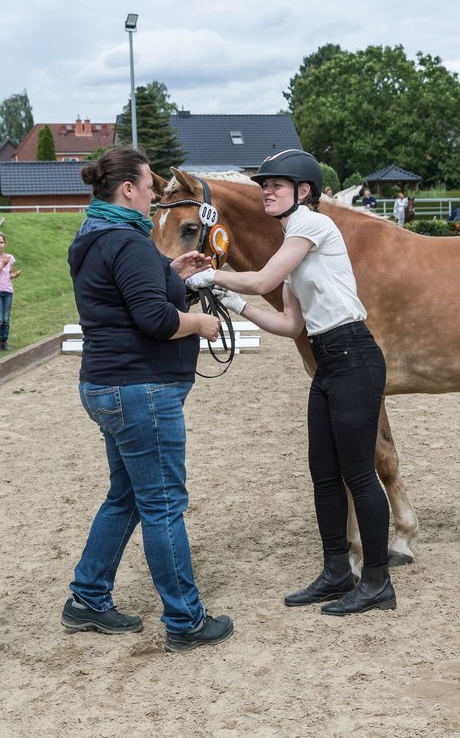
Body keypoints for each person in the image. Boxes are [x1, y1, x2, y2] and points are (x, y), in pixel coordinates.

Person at [185, 149, 396, 616]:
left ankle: (378, 580)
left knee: (358, 474)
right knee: (323, 473)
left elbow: (261, 281)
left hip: (354, 355)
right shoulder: (293, 246)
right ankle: (337, 571)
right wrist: (226, 299)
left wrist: (208, 273)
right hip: (327, 360)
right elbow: (289, 325)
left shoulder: (311, 225)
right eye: (264, 184)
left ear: (303, 192)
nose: (267, 190)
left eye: (276, 185)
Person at [64, 145, 234, 652]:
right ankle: (185, 619)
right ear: (128, 189)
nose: (156, 196)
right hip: (141, 389)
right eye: (150, 187)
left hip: (108, 383)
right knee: (162, 504)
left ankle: (88, 597)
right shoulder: (130, 243)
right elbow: (157, 321)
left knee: (128, 496)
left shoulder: (95, 237)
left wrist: (172, 275)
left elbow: (131, 299)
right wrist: (202, 322)